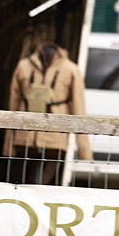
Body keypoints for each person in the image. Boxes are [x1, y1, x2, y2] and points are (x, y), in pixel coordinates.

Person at [6, 42, 91, 185]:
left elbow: (79, 108)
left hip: (55, 137)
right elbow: (13, 105)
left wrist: (84, 151)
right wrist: (8, 145)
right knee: (23, 183)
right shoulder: (23, 66)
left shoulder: (70, 69)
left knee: (45, 184)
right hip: (25, 136)